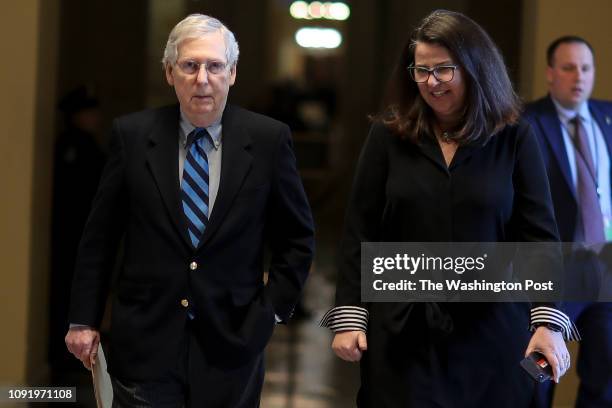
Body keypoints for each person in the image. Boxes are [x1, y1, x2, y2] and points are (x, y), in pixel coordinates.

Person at [320, 10, 579, 407]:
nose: (431, 82)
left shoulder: (514, 136)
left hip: (493, 332)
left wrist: (547, 321)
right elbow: (360, 232)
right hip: (403, 332)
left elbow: (539, 237)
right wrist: (350, 315)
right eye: (421, 70)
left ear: (475, 68)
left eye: (444, 69)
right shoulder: (387, 136)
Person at [64, 14, 315, 407]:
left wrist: (271, 312)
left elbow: (297, 240)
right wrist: (83, 319)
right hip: (145, 343)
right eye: (190, 65)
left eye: (215, 66)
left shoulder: (268, 140)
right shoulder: (131, 137)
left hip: (234, 343)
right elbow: (100, 237)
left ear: (232, 73)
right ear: (169, 72)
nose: (202, 79)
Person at [524, 36, 612, 407]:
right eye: (568, 67)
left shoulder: (608, 117)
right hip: (555, 266)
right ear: (549, 73)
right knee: (537, 372)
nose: (579, 76)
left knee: (605, 374)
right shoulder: (527, 122)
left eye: (586, 68)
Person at [50, 86, 106, 381]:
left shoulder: (86, 145)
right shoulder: (73, 146)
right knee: (66, 291)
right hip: (72, 232)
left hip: (78, 231)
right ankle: (65, 355)